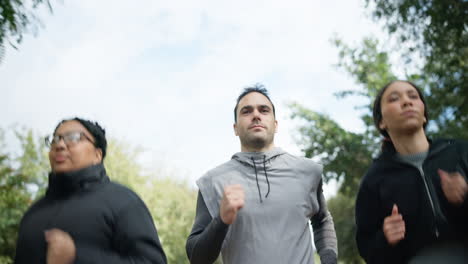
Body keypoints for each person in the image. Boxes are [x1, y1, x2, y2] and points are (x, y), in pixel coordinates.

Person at [185, 85, 338, 264]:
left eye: (264, 110)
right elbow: (196, 258)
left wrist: (329, 259)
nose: (256, 115)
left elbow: (322, 220)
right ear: (235, 128)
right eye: (246, 111)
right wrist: (221, 220)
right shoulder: (212, 182)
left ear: (275, 124)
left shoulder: (308, 172)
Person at [14, 117, 167, 264]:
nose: (59, 145)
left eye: (73, 137)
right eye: (54, 139)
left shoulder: (123, 201)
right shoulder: (34, 212)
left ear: (97, 155)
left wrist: (76, 257)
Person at [355, 80, 468, 263]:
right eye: (394, 99)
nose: (407, 102)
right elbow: (369, 252)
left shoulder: (461, 153)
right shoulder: (374, 180)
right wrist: (386, 239)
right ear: (382, 122)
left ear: (424, 116)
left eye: (413, 96)